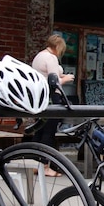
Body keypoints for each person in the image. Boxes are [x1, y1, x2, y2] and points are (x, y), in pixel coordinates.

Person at [31, 34, 74, 177]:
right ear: (57, 47)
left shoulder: (39, 56)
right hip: (51, 97)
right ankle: (45, 166)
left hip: (39, 98)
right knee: (49, 131)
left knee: (39, 130)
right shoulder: (51, 58)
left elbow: (45, 76)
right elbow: (53, 82)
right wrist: (66, 78)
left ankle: (36, 163)